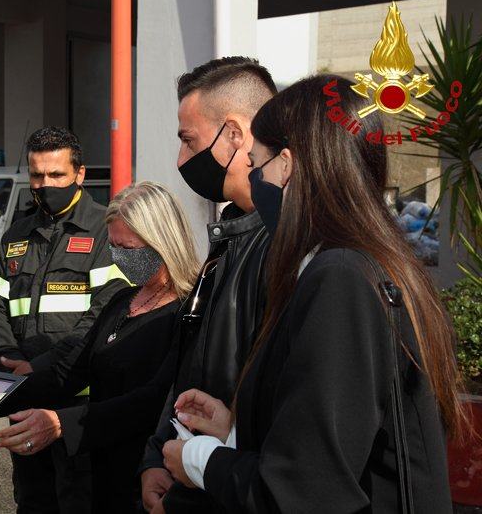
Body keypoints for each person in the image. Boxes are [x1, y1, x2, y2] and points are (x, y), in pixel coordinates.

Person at [161, 75, 466, 512]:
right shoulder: (364, 263)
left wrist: (199, 460)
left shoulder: (339, 277)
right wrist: (235, 431)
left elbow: (304, 489)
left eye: (256, 164)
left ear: (286, 165)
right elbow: (338, 433)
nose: (254, 179)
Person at [0, 182, 200, 512]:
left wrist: (61, 423)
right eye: (114, 246)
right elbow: (68, 372)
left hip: (154, 478)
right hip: (104, 475)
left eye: (128, 248)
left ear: (162, 240)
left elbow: (155, 399)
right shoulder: (121, 301)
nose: (119, 257)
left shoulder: (189, 311)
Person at [138, 57, 277, 513]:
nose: (181, 160)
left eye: (188, 140)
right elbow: (190, 367)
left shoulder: (288, 249)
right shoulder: (229, 238)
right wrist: (158, 455)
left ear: (234, 134)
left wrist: (205, 465)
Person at [0, 126, 129, 513]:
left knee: (81, 500)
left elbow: (103, 315)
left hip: (78, 405)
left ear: (80, 174)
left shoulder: (106, 231)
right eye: (37, 175)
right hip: (24, 396)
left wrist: (41, 366)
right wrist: (8, 359)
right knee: (33, 500)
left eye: (56, 174)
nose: (45, 185)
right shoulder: (17, 234)